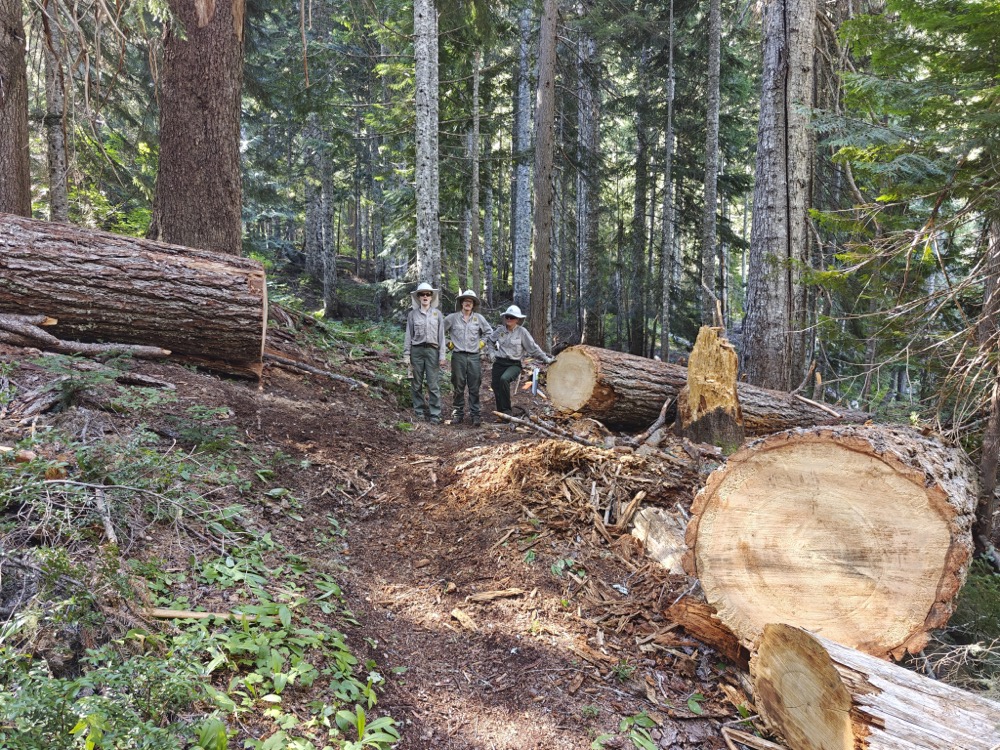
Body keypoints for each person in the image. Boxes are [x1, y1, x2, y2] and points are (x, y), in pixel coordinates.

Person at [486, 304, 555, 418]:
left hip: (514, 364)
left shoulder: (522, 332)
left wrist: (546, 359)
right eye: (507, 317)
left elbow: (533, 348)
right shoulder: (500, 330)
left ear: (517, 319)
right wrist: (492, 353)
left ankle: (507, 412)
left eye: (512, 317)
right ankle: (500, 412)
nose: (509, 319)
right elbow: (490, 341)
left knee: (504, 379)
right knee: (496, 385)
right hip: (499, 362)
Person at [444, 289, 492, 427]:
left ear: (473, 304)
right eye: (465, 301)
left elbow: (489, 332)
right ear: (461, 302)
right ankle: (457, 413)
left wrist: (481, 343)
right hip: (458, 355)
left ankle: (475, 414)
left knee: (474, 385)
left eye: (470, 301)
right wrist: (448, 343)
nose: (468, 303)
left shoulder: (479, 319)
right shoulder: (452, 318)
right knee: (458, 385)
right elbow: (439, 331)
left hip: (474, 356)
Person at [403, 282, 446, 424]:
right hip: (417, 351)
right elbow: (408, 335)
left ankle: (435, 413)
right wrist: (406, 354)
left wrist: (442, 355)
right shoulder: (412, 314)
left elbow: (441, 336)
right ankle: (419, 411)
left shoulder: (437, 314)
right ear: (419, 297)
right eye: (422, 294)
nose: (425, 296)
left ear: (431, 297)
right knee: (416, 383)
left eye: (428, 294)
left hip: (433, 351)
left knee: (433, 383)